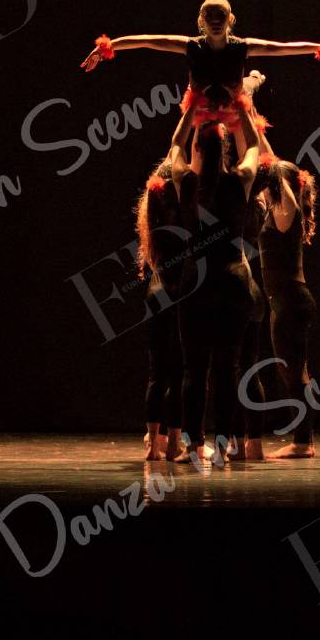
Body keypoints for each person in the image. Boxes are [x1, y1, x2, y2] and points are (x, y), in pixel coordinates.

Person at [79, 0, 320, 152]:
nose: (216, 21)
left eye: (221, 16)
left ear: (230, 19)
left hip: (235, 103)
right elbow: (148, 40)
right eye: (210, 16)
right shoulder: (191, 46)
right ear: (201, 21)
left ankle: (255, 77)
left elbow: (282, 48)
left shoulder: (241, 46)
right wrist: (107, 46)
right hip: (203, 108)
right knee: (185, 153)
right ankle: (252, 78)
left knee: (258, 149)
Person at [167, 103, 264, 465]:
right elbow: (253, 146)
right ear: (225, 150)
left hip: (196, 281)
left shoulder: (186, 183)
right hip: (232, 281)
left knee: (194, 370)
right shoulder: (239, 182)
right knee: (228, 369)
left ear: (197, 149)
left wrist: (192, 110)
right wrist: (241, 108)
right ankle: (222, 448)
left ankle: (194, 447)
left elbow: (175, 144)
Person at [257, 157, 319, 457]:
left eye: (269, 184)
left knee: (293, 374)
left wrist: (277, 171)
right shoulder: (276, 211)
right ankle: (303, 440)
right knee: (294, 372)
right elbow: (267, 159)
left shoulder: (286, 214)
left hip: (290, 302)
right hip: (287, 301)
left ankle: (303, 442)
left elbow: (284, 188)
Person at [135, 149, 187, 460]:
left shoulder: (153, 215)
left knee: (157, 374)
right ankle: (175, 443)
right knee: (178, 373)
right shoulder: (181, 213)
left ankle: (153, 444)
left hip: (155, 292)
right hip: (178, 292)